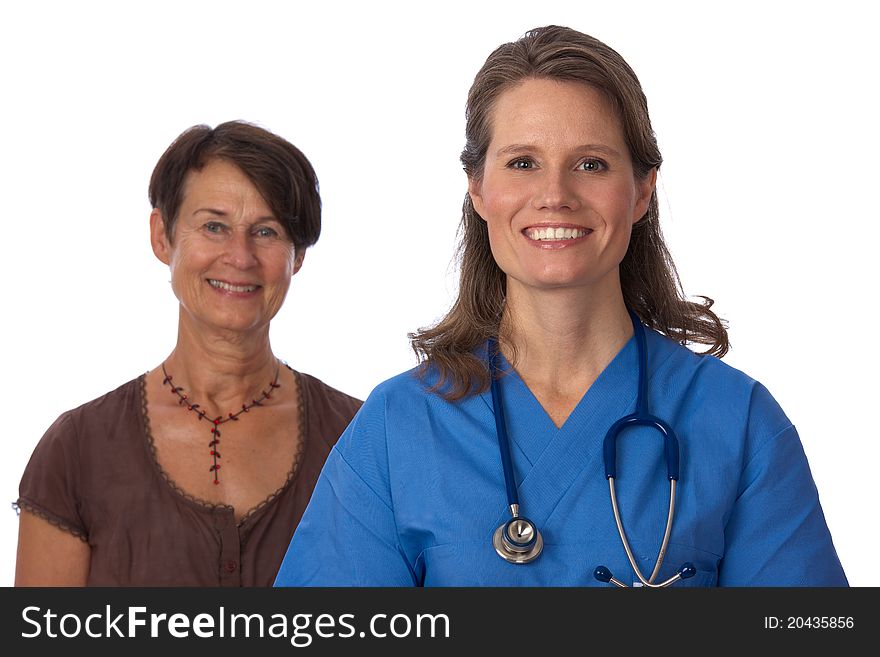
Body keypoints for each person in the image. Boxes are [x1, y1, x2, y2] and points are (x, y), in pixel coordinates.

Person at [273, 26, 847, 587]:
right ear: (477, 189)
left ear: (642, 190)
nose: (556, 194)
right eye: (522, 162)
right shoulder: (400, 426)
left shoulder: (738, 421)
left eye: (591, 163)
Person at [14, 121, 362, 586]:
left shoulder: (360, 441)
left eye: (267, 231)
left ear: (296, 255)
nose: (240, 257)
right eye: (214, 226)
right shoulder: (77, 450)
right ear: (163, 236)